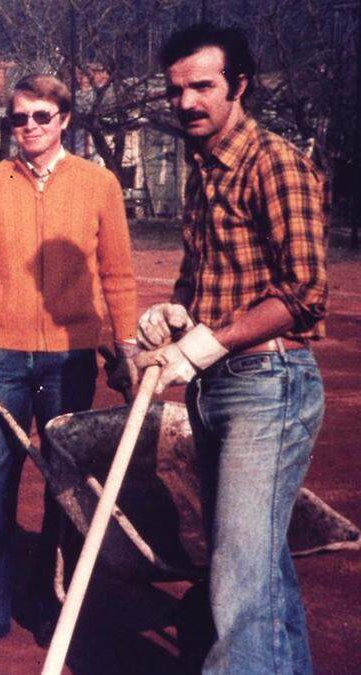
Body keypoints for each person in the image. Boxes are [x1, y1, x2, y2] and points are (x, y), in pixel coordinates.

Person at [135, 24, 327, 673]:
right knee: (257, 564)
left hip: (269, 382)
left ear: (239, 85)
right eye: (177, 89)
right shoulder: (200, 172)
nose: (187, 101)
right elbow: (201, 280)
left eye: (203, 86)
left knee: (238, 575)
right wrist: (174, 315)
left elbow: (304, 291)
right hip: (214, 385)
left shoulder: (274, 163)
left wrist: (208, 341)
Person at [0, 74, 139, 650]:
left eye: (41, 116)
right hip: (1, 360)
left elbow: (118, 274)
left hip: (71, 359)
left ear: (65, 121)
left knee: (67, 489)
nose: (28, 127)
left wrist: (126, 349)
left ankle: (56, 605)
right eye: (19, 118)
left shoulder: (98, 184)